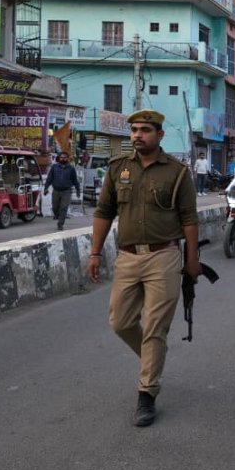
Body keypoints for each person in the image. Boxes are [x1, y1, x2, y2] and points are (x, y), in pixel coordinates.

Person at [86, 109, 200, 427]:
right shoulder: (117, 169)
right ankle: (154, 357)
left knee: (153, 327)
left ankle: (146, 393)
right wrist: (95, 253)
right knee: (120, 321)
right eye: (134, 130)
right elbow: (103, 212)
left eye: (145, 130)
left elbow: (189, 219)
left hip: (163, 256)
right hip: (127, 257)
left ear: (159, 135)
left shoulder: (177, 173)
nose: (138, 135)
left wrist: (192, 260)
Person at [44, 151, 81, 231]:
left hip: (66, 191)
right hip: (56, 190)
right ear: (59, 158)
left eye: (65, 157)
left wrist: (78, 191)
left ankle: (60, 224)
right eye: (61, 157)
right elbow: (49, 178)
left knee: (64, 208)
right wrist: (46, 188)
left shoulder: (71, 169)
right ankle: (57, 216)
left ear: (67, 159)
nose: (63, 159)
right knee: (55, 207)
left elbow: (75, 181)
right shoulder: (54, 167)